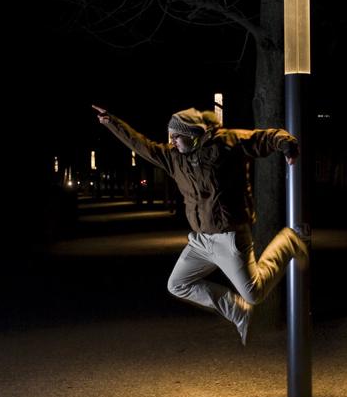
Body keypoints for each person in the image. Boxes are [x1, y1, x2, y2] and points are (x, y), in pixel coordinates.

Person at [92, 105, 308, 345]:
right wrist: (112, 122)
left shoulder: (226, 143)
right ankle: (237, 310)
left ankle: (289, 241)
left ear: (192, 134)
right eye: (170, 136)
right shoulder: (173, 158)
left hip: (229, 237)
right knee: (177, 284)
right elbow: (141, 145)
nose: (172, 141)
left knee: (254, 293)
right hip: (200, 241)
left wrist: (286, 144)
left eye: (177, 136)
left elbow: (262, 138)